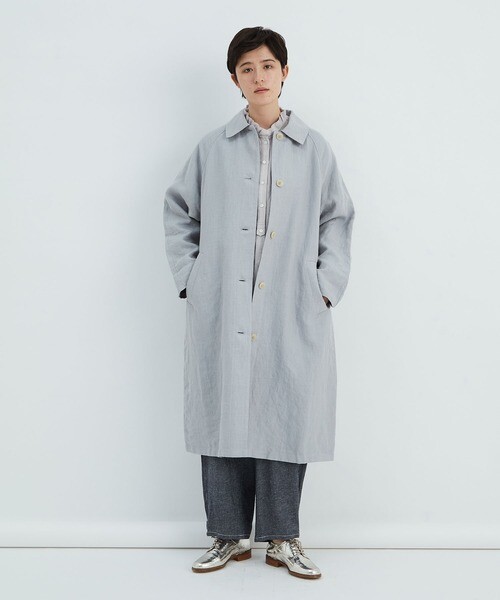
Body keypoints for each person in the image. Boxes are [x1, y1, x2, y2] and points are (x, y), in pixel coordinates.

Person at [163, 26, 355, 579]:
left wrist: (324, 287)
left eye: (267, 65)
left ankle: (282, 537)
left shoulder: (314, 149)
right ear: (235, 80)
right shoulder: (213, 148)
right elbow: (179, 211)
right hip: (223, 302)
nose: (258, 76)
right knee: (223, 411)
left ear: (284, 72)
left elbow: (337, 220)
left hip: (292, 303)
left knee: (286, 410)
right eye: (247, 68)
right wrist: (191, 279)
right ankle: (227, 536)